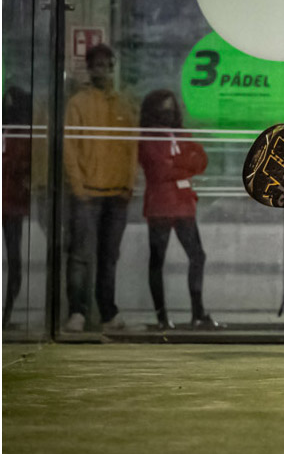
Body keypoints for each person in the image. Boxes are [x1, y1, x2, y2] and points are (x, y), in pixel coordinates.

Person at [62, 44, 138, 333]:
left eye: (107, 66)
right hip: (88, 194)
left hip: (116, 193)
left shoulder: (123, 104)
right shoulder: (78, 104)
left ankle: (108, 312)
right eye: (97, 66)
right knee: (81, 256)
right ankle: (77, 311)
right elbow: (69, 148)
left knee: (109, 258)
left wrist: (128, 184)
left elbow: (132, 147)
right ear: (89, 69)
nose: (102, 71)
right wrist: (78, 187)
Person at [138, 89, 221, 330]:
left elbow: (201, 161)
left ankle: (197, 313)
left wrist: (176, 165)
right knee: (158, 261)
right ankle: (162, 318)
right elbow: (158, 171)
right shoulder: (148, 137)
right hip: (160, 205)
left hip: (182, 204)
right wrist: (184, 165)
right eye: (164, 109)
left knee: (197, 256)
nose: (169, 113)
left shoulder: (181, 133)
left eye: (172, 108)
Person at [2, 86, 32, 329]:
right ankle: (6, 313)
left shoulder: (24, 135)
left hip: (13, 201)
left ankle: (7, 312)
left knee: (14, 258)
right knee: (14, 258)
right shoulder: (25, 135)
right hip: (13, 202)